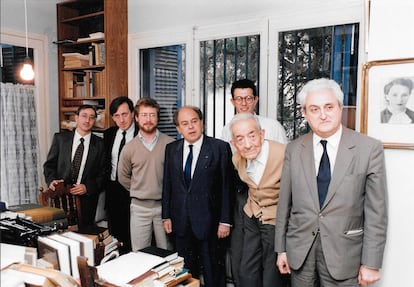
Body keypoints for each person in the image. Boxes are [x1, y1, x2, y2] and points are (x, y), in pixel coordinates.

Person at [275, 78, 388, 287]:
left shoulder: (369, 148)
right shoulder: (293, 148)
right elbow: (285, 203)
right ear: (304, 113)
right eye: (314, 109)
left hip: (344, 254)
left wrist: (371, 263)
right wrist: (281, 249)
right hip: (300, 252)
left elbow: (377, 212)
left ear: (340, 108)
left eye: (329, 107)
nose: (323, 115)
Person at [221, 78, 288, 287]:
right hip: (251, 212)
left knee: (271, 275)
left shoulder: (281, 147)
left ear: (262, 134)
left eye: (248, 98)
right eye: (240, 139)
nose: (247, 143)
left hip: (275, 218)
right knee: (246, 269)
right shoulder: (234, 150)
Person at [162, 106, 234, 287]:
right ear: (178, 128)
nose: (191, 127)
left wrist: (225, 221)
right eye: (185, 124)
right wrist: (166, 215)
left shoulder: (219, 147)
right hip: (180, 222)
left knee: (213, 273)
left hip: (210, 223)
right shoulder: (171, 149)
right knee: (185, 273)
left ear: (202, 122)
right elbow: (168, 184)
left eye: (194, 121)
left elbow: (227, 187)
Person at [118, 97, 174, 251]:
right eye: (144, 115)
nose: (148, 119)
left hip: (165, 209)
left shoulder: (171, 144)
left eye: (152, 115)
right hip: (139, 207)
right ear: (136, 118)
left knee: (167, 251)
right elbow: (123, 177)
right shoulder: (129, 148)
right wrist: (140, 189)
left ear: (157, 118)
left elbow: (176, 178)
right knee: (140, 252)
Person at [44, 104, 105, 228]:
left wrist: (88, 187)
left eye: (92, 117)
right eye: (84, 116)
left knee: (85, 235)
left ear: (94, 121)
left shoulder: (100, 144)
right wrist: (51, 181)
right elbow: (49, 165)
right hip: (60, 197)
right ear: (76, 118)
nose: (87, 120)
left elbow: (103, 173)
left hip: (86, 201)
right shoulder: (60, 139)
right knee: (60, 234)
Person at [103, 96, 138, 254]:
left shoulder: (141, 133)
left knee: (134, 234)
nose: (121, 119)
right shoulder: (109, 134)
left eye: (124, 114)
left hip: (133, 190)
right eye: (117, 116)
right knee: (116, 235)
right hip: (112, 190)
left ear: (132, 113)